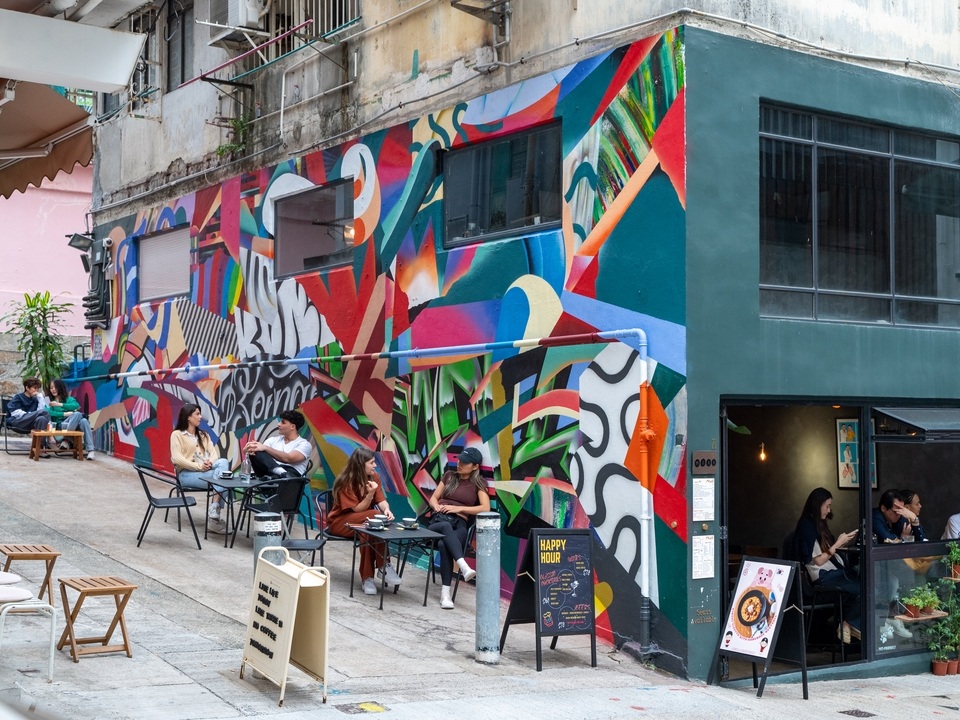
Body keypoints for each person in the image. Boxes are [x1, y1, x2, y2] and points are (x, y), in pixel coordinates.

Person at [326, 447, 401, 595]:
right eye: (372, 462)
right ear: (361, 464)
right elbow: (358, 510)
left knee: (367, 531)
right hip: (340, 523)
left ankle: (368, 578)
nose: (375, 465)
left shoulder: (374, 477)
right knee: (374, 516)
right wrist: (370, 494)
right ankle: (383, 566)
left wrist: (387, 510)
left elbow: (381, 500)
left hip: (363, 522)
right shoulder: (346, 481)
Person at [794, 487, 861, 643]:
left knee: (864, 586)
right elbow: (818, 560)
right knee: (863, 589)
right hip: (823, 576)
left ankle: (849, 626)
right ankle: (849, 624)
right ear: (818, 505)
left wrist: (841, 543)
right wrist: (838, 544)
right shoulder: (807, 526)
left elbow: (828, 551)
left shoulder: (819, 524)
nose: (829, 510)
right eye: (827, 506)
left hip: (832, 572)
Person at [427, 446, 490, 609]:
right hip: (438, 522)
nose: (459, 464)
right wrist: (436, 506)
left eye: (465, 462)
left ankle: (445, 595)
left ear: (475, 466)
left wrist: (459, 509)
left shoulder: (478, 483)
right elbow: (433, 498)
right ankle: (464, 566)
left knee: (444, 544)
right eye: (459, 460)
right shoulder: (449, 476)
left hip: (460, 524)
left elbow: (485, 507)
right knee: (445, 527)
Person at [170, 404, 230, 534]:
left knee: (223, 463)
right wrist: (199, 466)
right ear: (188, 417)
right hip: (185, 475)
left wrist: (209, 462)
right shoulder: (177, 435)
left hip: (205, 471)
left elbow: (213, 454)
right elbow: (177, 459)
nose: (200, 417)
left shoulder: (204, 435)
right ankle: (214, 520)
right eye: (197, 414)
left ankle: (214, 508)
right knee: (223, 478)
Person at [242, 410, 311, 478]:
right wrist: (249, 449)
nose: (279, 424)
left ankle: (281, 474)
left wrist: (266, 448)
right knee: (257, 450)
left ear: (292, 427)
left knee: (262, 448)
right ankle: (281, 473)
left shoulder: (304, 444)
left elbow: (289, 459)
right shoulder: (272, 440)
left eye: (283, 422)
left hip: (292, 477)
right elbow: (262, 456)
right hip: (270, 473)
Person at [47, 379, 95, 460]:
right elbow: (49, 412)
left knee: (83, 420)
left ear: (60, 387)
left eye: (55, 387)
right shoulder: (50, 401)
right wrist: (65, 414)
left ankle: (90, 450)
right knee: (78, 415)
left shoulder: (69, 399)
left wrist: (59, 404)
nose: (53, 390)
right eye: (51, 388)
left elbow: (76, 406)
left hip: (73, 426)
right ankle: (68, 439)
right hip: (61, 426)